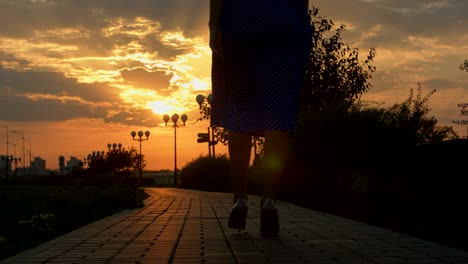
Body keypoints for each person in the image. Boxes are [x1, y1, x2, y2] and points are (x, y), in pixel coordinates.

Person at [209, 0, 312, 236]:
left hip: (242, 20)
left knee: (239, 113)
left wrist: (213, 25)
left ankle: (240, 199)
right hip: (286, 22)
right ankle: (269, 201)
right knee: (278, 115)